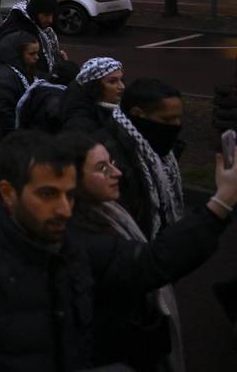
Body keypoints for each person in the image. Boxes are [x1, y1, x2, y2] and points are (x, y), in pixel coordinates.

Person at [0, 131, 235, 372]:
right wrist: (219, 203)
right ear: (9, 193)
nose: (64, 210)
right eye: (47, 195)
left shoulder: (61, 242)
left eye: (70, 194)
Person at [65, 132, 237, 372]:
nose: (117, 173)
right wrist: (221, 202)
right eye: (102, 169)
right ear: (72, 179)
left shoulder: (103, 212)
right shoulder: (82, 239)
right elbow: (151, 262)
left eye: (112, 163)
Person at [106, 78, 185, 239]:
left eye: (178, 118)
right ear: (137, 114)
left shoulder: (160, 149)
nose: (176, 125)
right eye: (167, 119)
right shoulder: (111, 156)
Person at [0, 33, 42, 138]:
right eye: (31, 54)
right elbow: (4, 115)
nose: (37, 57)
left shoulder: (25, 71)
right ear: (18, 54)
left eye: (37, 53)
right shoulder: (5, 79)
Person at [0, 0, 61, 75]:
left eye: (52, 15)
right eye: (46, 15)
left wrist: (58, 57)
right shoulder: (19, 32)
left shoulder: (42, 28)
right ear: (35, 13)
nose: (50, 20)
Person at [61, 56, 125, 134]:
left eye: (121, 80)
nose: (122, 86)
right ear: (95, 86)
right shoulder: (80, 122)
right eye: (112, 82)